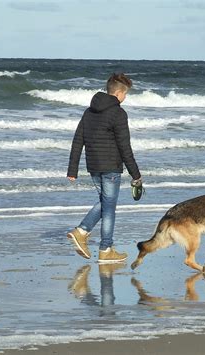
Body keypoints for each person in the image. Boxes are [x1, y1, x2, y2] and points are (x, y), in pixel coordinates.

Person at [67, 73, 142, 263]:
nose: (125, 99)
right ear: (118, 93)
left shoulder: (89, 111)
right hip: (111, 167)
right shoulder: (118, 113)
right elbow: (125, 147)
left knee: (106, 202)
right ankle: (102, 246)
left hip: (93, 165)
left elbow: (78, 140)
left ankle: (84, 233)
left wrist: (73, 169)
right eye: (125, 95)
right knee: (109, 207)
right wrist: (136, 174)